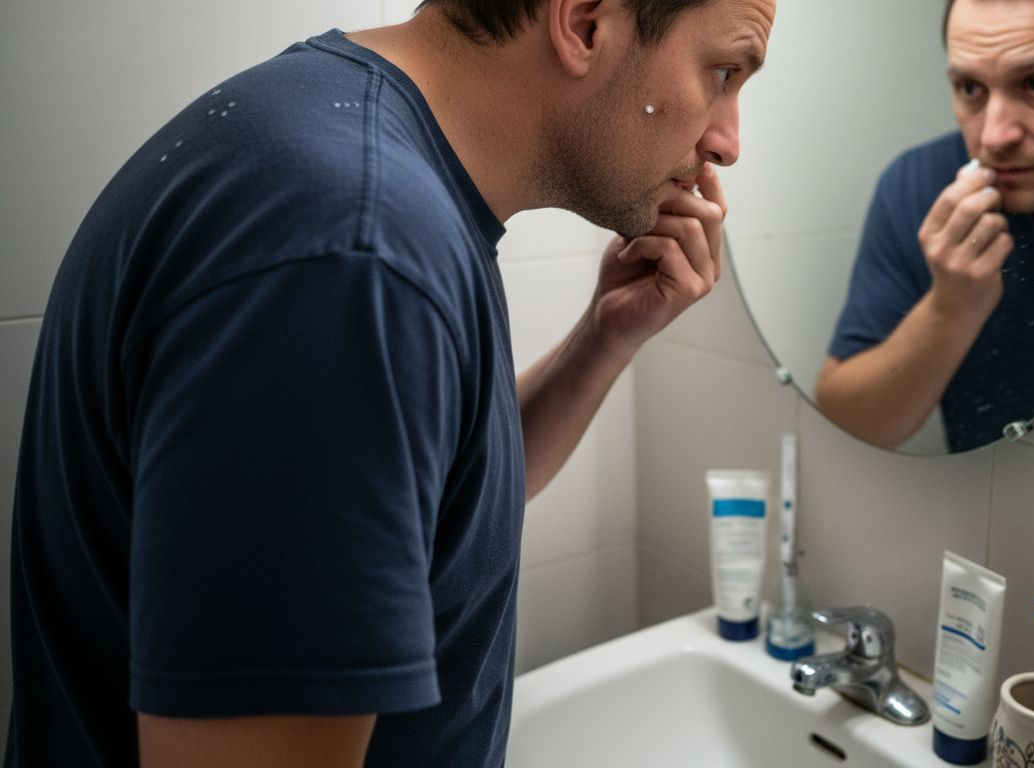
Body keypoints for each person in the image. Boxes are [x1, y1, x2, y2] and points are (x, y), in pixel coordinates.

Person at [6, 0, 774, 764]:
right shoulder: (355, 252)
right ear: (584, 24)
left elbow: (434, 505)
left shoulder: (347, 159)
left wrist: (604, 339)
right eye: (724, 71)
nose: (728, 140)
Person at [815, 0, 1034, 453]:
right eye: (970, 88)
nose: (993, 137)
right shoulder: (920, 186)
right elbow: (849, 423)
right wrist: (950, 309)